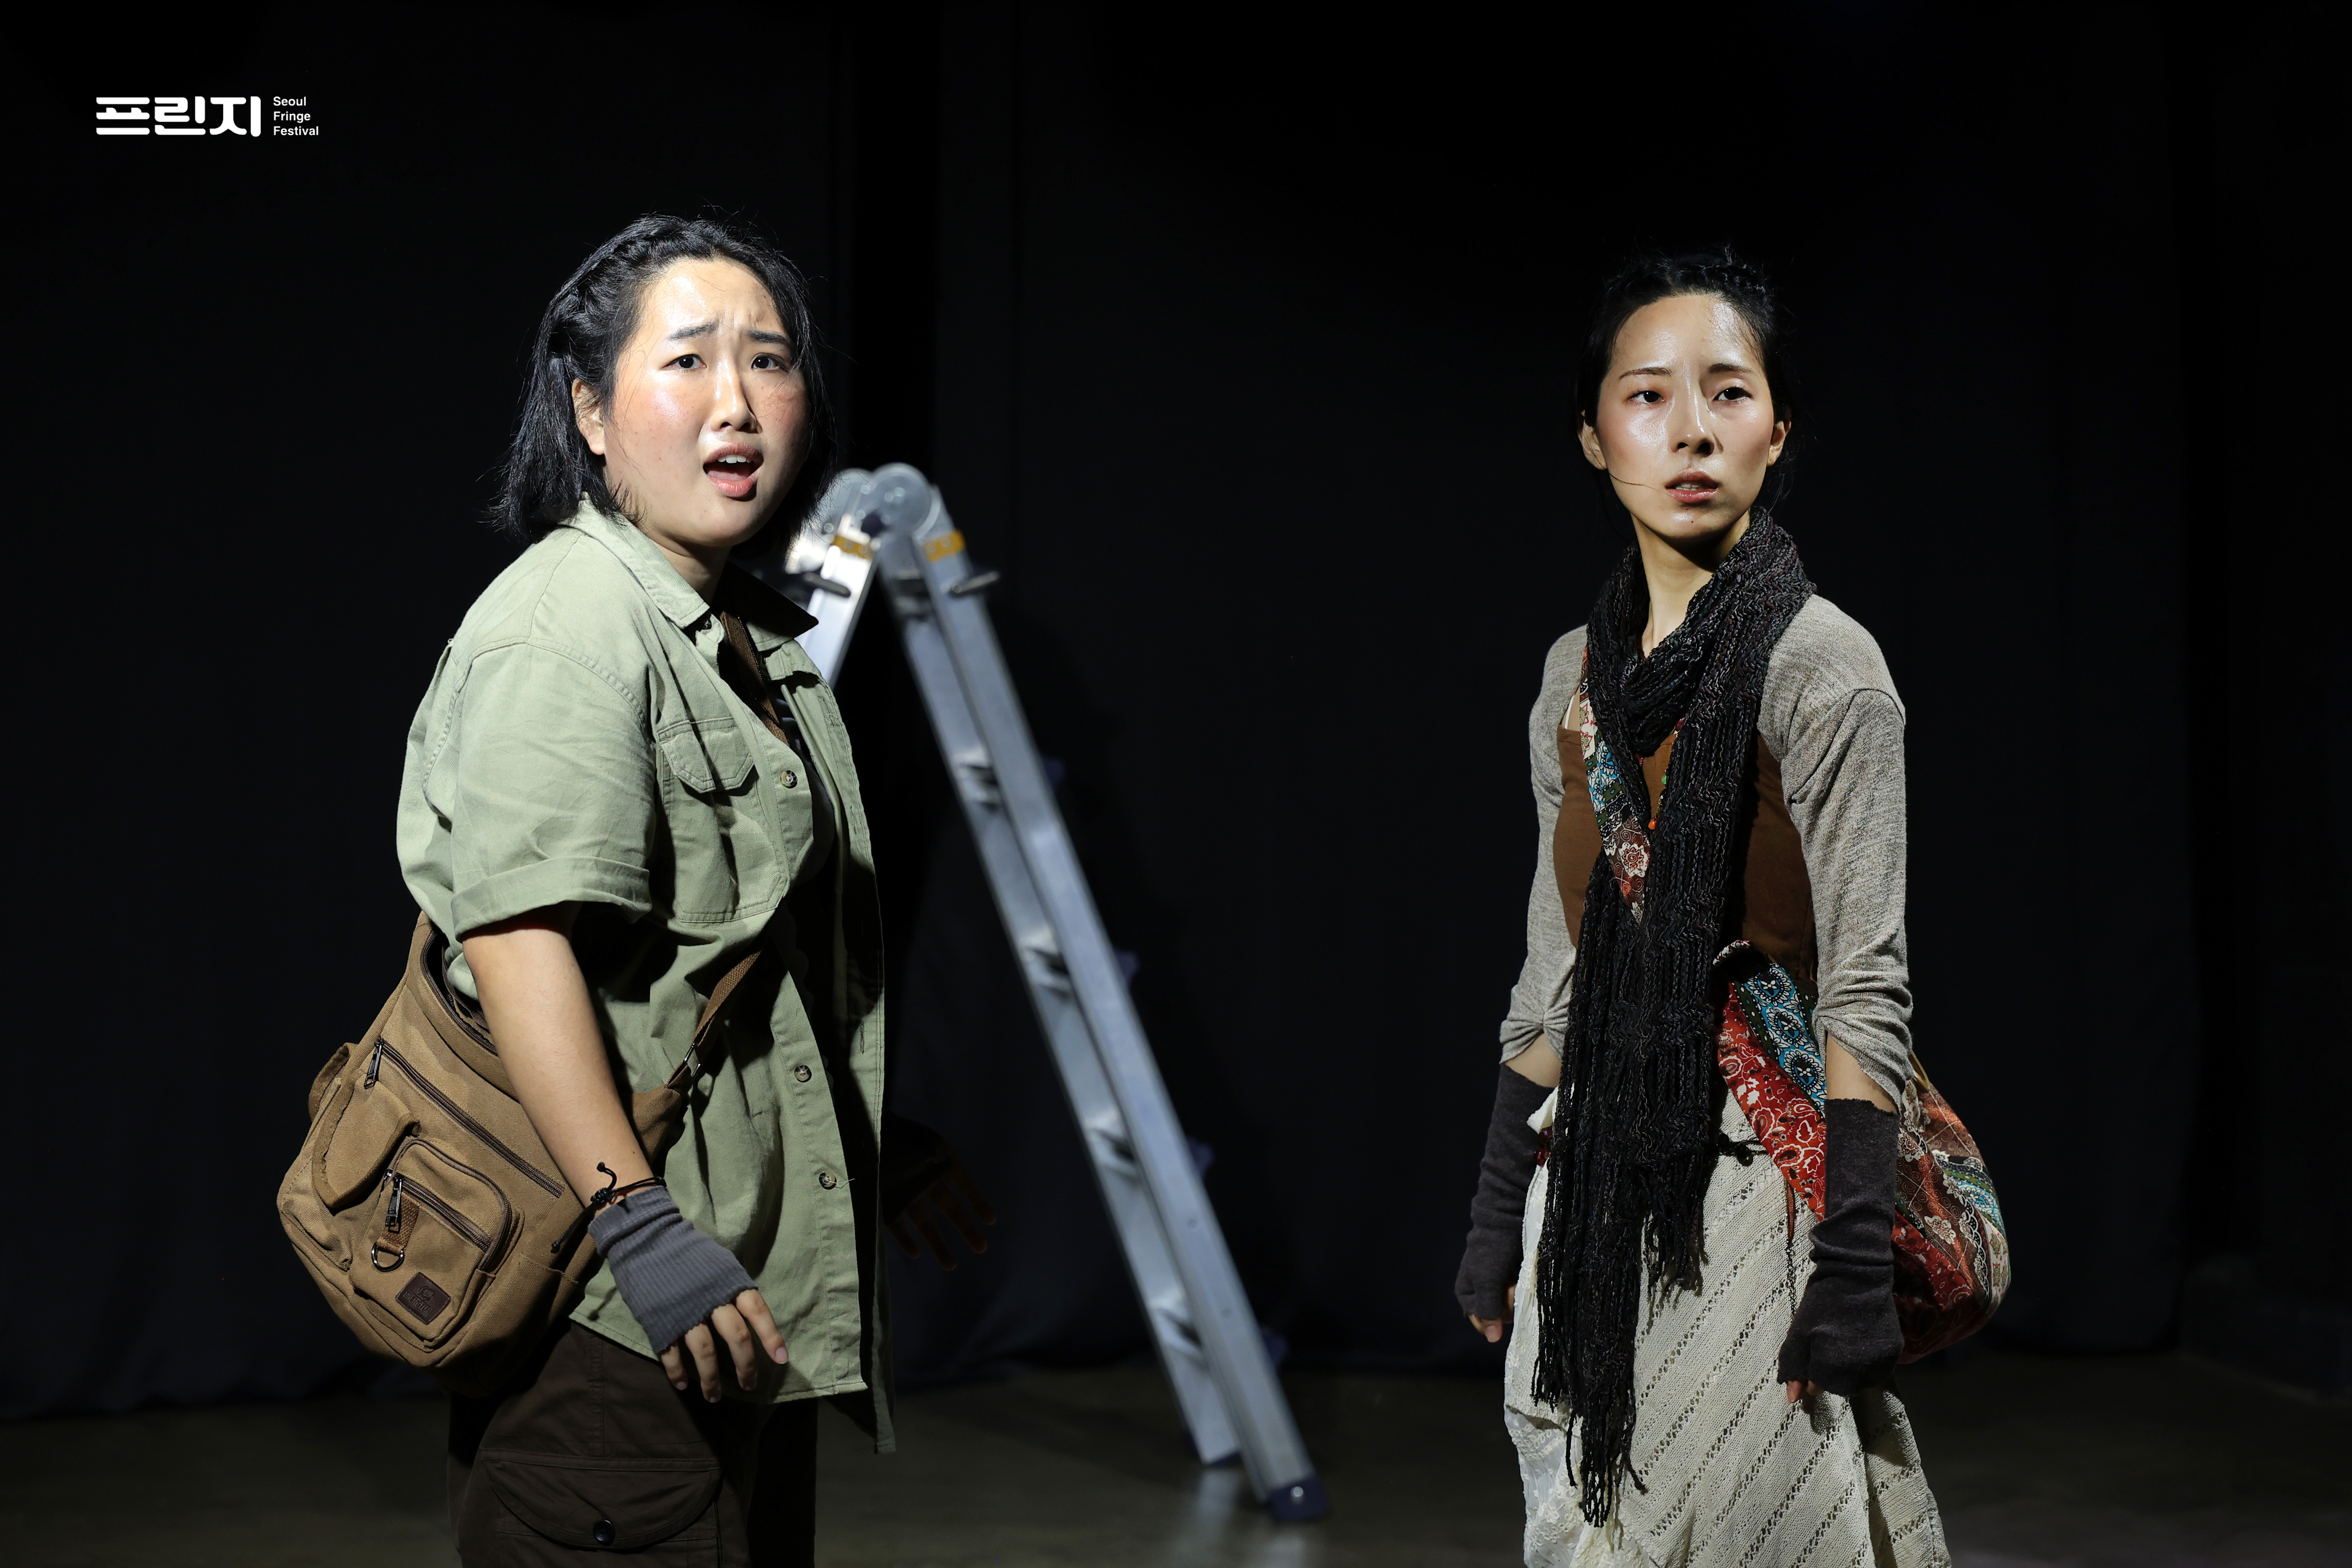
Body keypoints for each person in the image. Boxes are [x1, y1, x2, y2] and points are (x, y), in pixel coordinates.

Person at [401, 214, 991, 1566]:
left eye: (769, 360)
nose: (737, 401)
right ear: (589, 409)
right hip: (614, 1315)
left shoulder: (741, 634)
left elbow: (704, 969)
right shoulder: (569, 628)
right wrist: (636, 1220)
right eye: (687, 361)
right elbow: (520, 947)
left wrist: (855, 1139)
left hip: (730, 1302)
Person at [1453, 250, 1946, 1566]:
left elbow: (1866, 981)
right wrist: (1500, 1210)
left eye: (1729, 393)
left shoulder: (1827, 666)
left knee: (1753, 1529)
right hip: (1592, 1181)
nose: (1690, 430)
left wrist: (1852, 1262)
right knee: (1592, 1529)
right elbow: (1554, 966)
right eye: (1648, 395)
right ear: (1593, 436)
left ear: (1775, 432)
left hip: (1754, 1190)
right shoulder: (1573, 678)